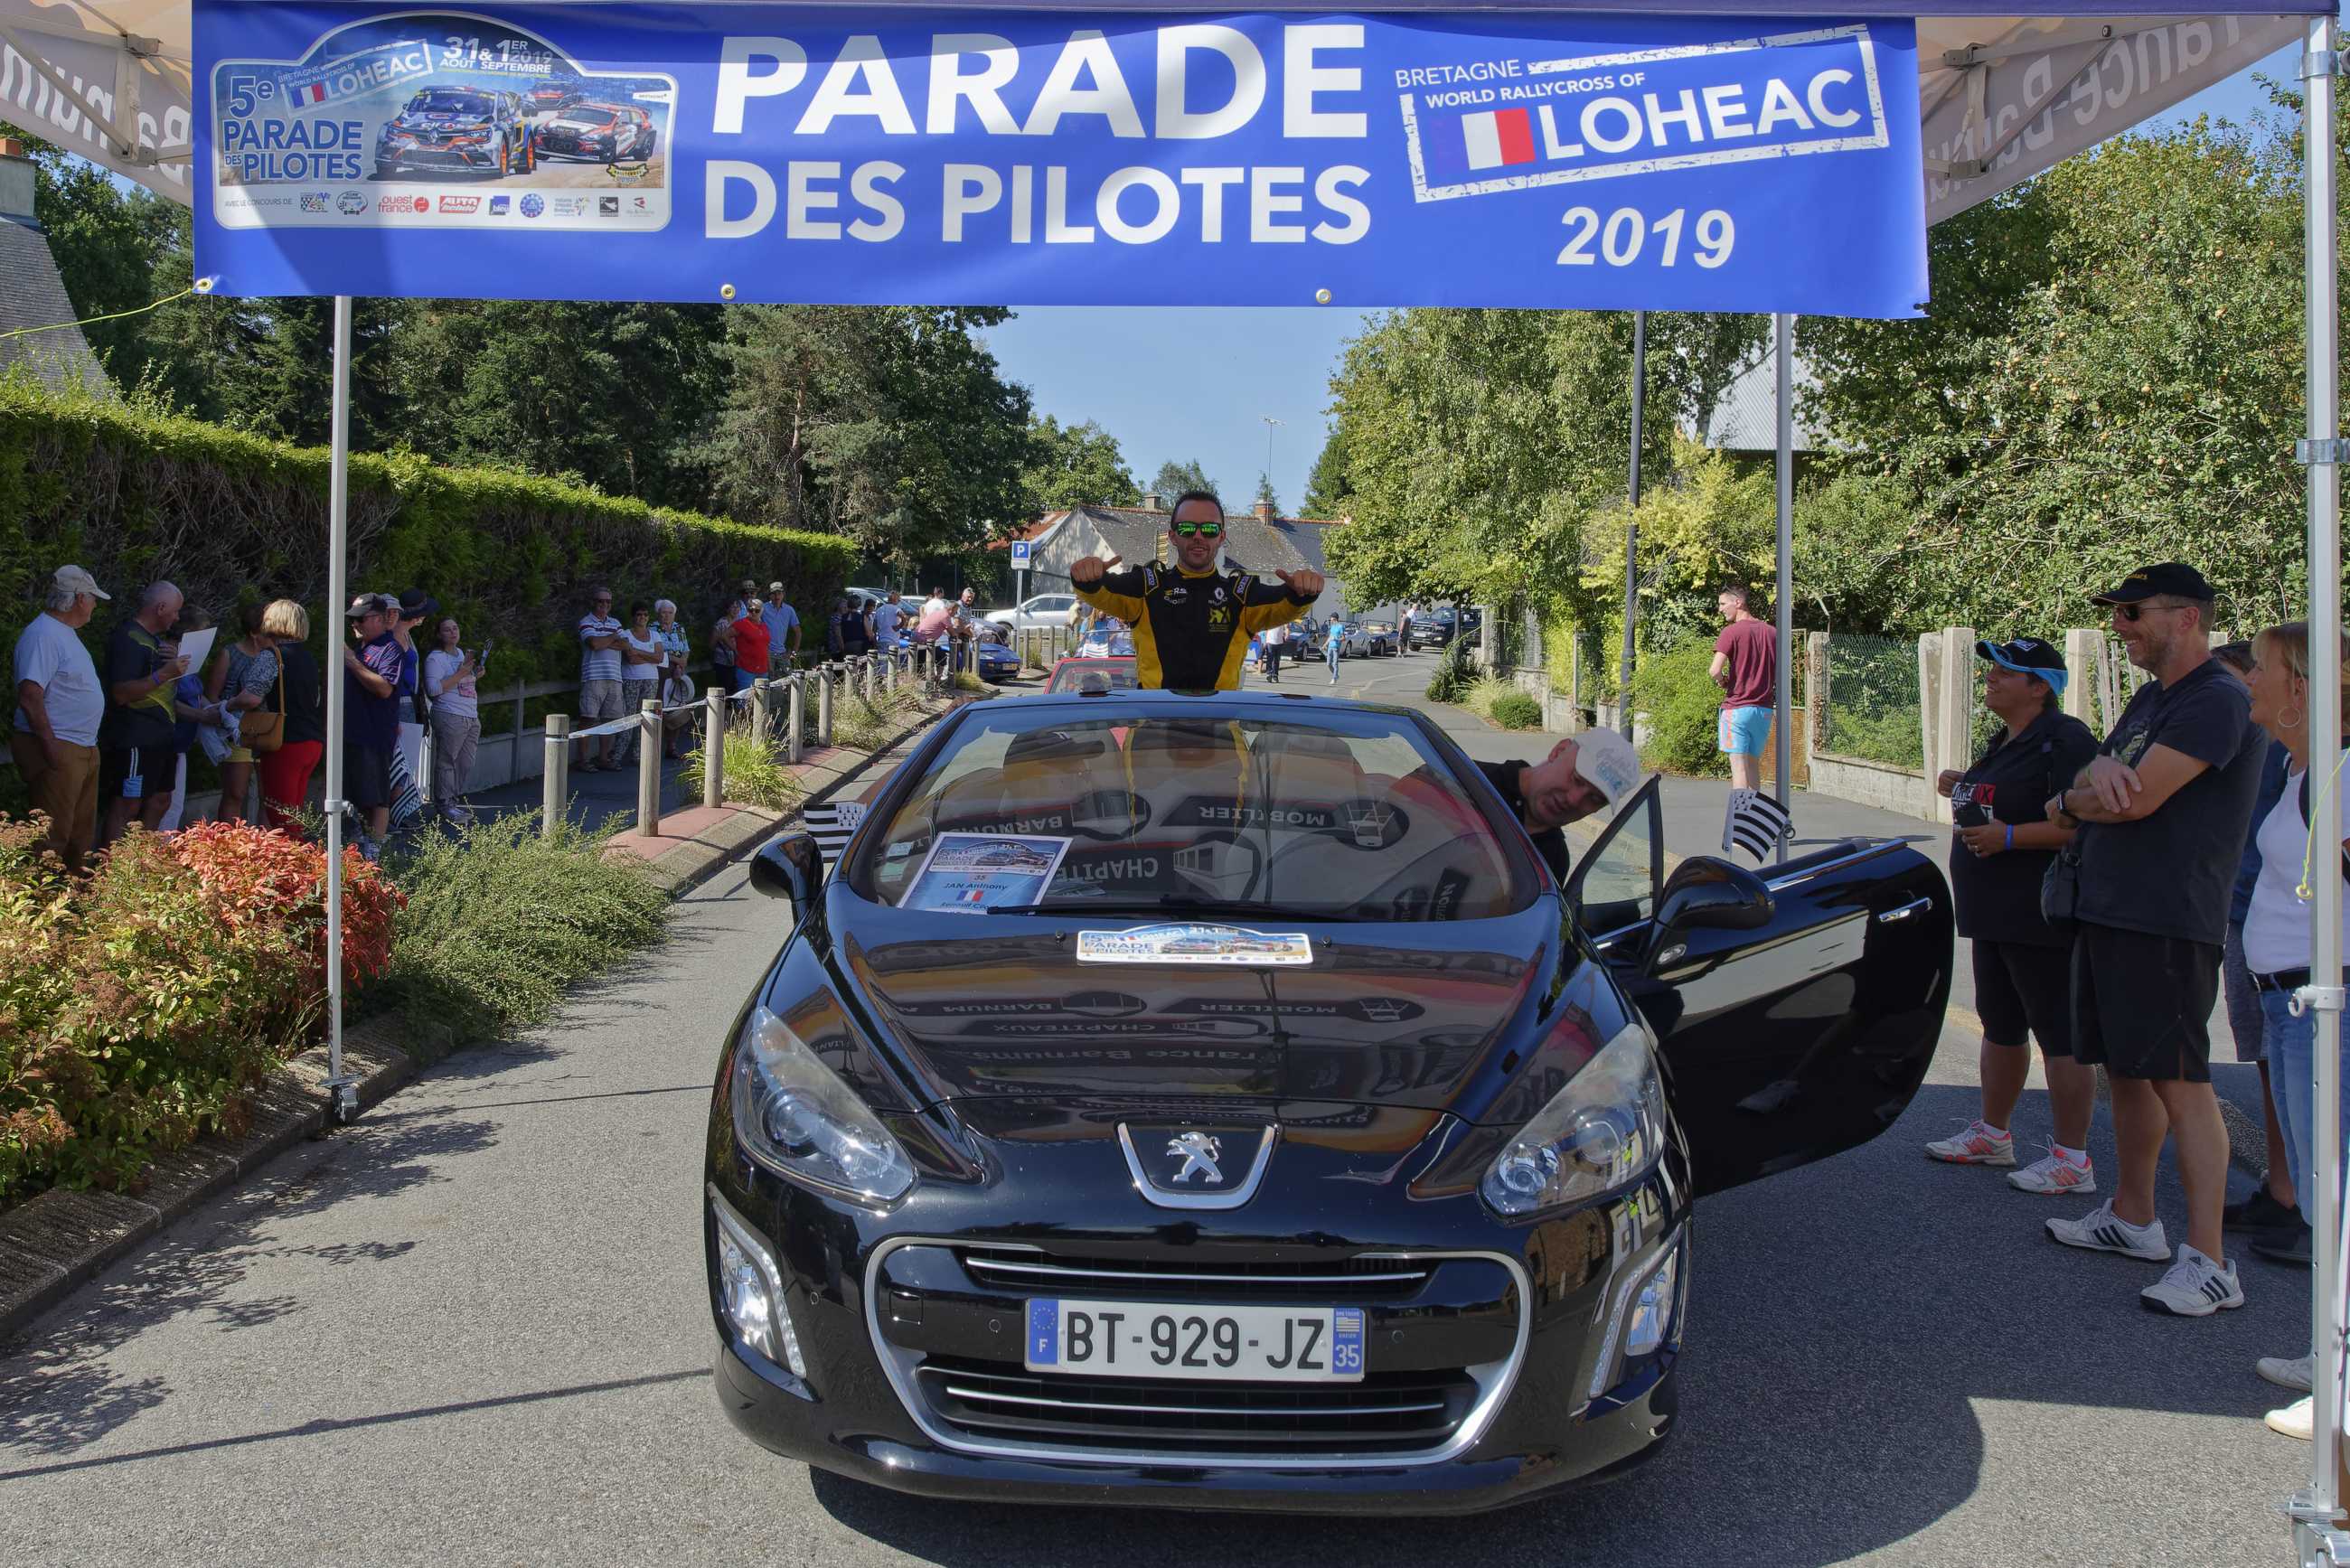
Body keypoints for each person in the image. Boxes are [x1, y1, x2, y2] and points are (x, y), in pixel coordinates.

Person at [2041, 563, 2269, 1318]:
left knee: (2181, 1080)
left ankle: (2210, 1261)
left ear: (2187, 619)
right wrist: (2087, 783)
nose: (2120, 624)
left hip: (2167, 918)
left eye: (2133, 610)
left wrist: (2094, 789)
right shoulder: (2150, 699)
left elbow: (2134, 799)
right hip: (2113, 910)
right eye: (2115, 611)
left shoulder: (2216, 699)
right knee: (2127, 1071)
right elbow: (2081, 793)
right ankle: (2135, 1217)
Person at [1924, 638, 2102, 1192]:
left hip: (2039, 911)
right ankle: (1993, 1134)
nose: (1993, 678)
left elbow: (2085, 820)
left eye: (2008, 671)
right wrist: (1962, 784)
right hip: (1994, 910)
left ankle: (2073, 1160)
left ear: (2040, 686)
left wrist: (2008, 836)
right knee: (2000, 1024)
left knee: (2059, 1034)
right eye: (1993, 669)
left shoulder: (2066, 739)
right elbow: (2006, 796)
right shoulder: (2007, 738)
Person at [2237, 622, 2350, 1439]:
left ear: (2300, 689)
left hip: (2323, 1008)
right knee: (2322, 1193)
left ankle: (2345, 1382)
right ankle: (2333, 1353)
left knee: (2337, 1197)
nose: (2248, 680)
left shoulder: (2339, 776)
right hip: (2290, 1005)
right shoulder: (2300, 768)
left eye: (2263, 668)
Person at [2212, 642, 2304, 1258]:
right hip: (2257, 939)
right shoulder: (2283, 755)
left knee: (2309, 1086)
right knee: (2277, 1071)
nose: (2248, 684)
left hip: (2306, 970)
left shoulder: (2319, 765)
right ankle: (2285, 1191)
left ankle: (2304, 1207)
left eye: (2259, 671)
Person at [1069, 492, 1323, 690]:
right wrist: (1086, 576)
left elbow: (1286, 603)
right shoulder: (1147, 587)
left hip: (1222, 735)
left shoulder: (1240, 595)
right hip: (1154, 736)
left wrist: (1304, 590)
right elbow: (1098, 591)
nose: (1198, 536)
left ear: (1221, 537)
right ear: (1173, 536)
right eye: (1188, 529)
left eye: (1209, 529)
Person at [10, 564, 110, 870]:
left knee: (79, 835)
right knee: (52, 837)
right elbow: (30, 695)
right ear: (79, 598)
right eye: (92, 598)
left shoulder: (63, 633)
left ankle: (74, 905)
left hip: (80, 746)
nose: (94, 605)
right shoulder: (43, 634)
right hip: (61, 747)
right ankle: (42, 906)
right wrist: (51, 747)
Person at [1472, 729, 1642, 881]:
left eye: (1595, 799)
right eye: (1576, 779)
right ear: (1558, 751)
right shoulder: (1467, 782)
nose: (1574, 800)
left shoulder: (1554, 861)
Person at [98, 580, 191, 848]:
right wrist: (165, 673)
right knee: (128, 803)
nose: (177, 618)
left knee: (162, 799)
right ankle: (112, 873)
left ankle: (143, 868)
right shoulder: (128, 638)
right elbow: (121, 693)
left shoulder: (156, 641)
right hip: (135, 736)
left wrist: (175, 664)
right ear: (160, 608)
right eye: (174, 611)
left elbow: (164, 688)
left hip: (163, 736)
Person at [342, 593, 409, 859]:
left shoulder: (390, 649)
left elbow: (383, 688)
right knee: (354, 794)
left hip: (374, 736)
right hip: (352, 734)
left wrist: (351, 662)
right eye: (352, 620)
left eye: (361, 619)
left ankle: (375, 849)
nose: (355, 624)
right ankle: (360, 844)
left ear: (381, 619)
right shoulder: (362, 649)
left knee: (377, 794)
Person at [206, 601, 281, 824]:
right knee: (236, 791)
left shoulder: (275, 655)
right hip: (237, 731)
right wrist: (227, 715)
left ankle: (264, 847)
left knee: (269, 796)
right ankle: (229, 844)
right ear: (253, 632)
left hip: (268, 729)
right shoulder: (230, 654)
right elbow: (212, 695)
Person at [255, 599, 324, 834]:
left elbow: (252, 697)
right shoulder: (309, 658)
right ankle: (299, 862)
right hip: (312, 741)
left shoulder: (272, 655)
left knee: (280, 817)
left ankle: (295, 866)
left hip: (284, 740)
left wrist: (227, 704)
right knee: (293, 813)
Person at [159, 606, 225, 833]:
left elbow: (195, 694)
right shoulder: (167, 655)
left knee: (174, 806)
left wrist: (218, 710)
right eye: (202, 632)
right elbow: (168, 699)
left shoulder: (188, 659)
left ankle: (164, 854)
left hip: (181, 745)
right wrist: (203, 715)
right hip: (166, 742)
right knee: (161, 805)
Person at [1710, 585, 1775, 792]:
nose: (1720, 609)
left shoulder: (1731, 632)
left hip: (1736, 709)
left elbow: (1714, 670)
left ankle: (1739, 817)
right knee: (1753, 765)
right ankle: (1754, 817)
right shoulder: (1772, 632)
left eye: (1723, 603)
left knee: (1738, 768)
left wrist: (1722, 680)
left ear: (1738, 602)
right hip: (1763, 710)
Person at [423, 615, 483, 823]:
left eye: (455, 628)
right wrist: (460, 674)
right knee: (447, 761)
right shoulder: (435, 658)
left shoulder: (461, 654)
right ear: (439, 634)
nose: (453, 632)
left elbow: (463, 684)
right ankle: (444, 803)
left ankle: (453, 801)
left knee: (465, 762)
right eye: (447, 630)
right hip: (449, 713)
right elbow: (433, 690)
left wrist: (474, 675)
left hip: (470, 713)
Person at [576, 587, 625, 773]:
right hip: (593, 676)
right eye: (600, 601)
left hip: (615, 676)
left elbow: (625, 645)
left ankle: (604, 758)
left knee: (609, 721)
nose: (604, 605)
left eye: (608, 602)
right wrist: (612, 637)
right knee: (588, 718)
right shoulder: (586, 622)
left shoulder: (616, 622)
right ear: (593, 602)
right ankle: (583, 760)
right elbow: (594, 644)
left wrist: (605, 641)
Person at [615, 602, 663, 765]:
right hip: (631, 679)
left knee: (646, 716)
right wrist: (648, 655)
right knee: (629, 715)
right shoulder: (626, 634)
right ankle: (617, 755)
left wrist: (639, 652)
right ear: (633, 617)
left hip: (651, 679)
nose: (642, 618)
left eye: (645, 615)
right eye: (639, 615)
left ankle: (638, 755)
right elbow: (631, 659)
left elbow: (659, 658)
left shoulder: (655, 635)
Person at [653, 600, 691, 759]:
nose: (666, 615)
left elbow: (686, 649)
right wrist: (676, 659)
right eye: (663, 612)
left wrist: (681, 666)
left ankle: (672, 746)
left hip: (678, 671)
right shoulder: (652, 629)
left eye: (670, 612)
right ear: (658, 613)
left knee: (677, 708)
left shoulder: (679, 628)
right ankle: (654, 747)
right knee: (660, 708)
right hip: (660, 671)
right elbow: (658, 652)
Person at [729, 597, 771, 696]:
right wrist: (734, 649)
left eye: (757, 611)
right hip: (746, 668)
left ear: (761, 612)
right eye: (751, 610)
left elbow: (766, 646)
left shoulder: (764, 626)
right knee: (744, 698)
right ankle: (740, 712)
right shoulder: (741, 623)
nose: (753, 613)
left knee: (762, 698)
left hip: (763, 668)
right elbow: (725, 636)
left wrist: (769, 665)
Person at [761, 582, 801, 675]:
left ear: (783, 595)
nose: (777, 596)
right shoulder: (763, 608)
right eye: (774, 593)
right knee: (768, 681)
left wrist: (794, 651)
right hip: (767, 652)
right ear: (770, 595)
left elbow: (798, 631)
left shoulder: (789, 610)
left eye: (779, 593)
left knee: (790, 680)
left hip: (782, 653)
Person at [835, 596, 873, 660]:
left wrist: (842, 646)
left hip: (846, 645)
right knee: (858, 666)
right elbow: (869, 634)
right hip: (859, 646)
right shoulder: (862, 617)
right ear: (859, 605)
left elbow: (838, 634)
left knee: (848, 665)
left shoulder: (842, 617)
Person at [1262, 617, 1290, 683]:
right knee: (1270, 658)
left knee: (1276, 660)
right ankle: (1269, 674)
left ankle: (1275, 675)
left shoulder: (1284, 618)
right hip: (1270, 641)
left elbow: (1287, 627)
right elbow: (1265, 630)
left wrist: (1287, 635)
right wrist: (1264, 642)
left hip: (1279, 642)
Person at [1324, 612, 1348, 684]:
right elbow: (1330, 636)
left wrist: (1336, 639)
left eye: (1331, 618)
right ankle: (1336, 675)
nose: (1330, 619)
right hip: (1330, 647)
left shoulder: (1340, 627)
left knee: (1335, 664)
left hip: (1336, 647)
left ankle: (1334, 678)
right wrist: (1325, 644)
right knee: (1328, 664)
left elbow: (1344, 638)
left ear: (1334, 618)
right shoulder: (1332, 626)